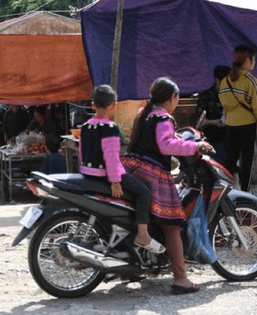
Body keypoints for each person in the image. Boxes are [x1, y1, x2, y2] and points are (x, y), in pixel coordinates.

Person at [121, 77, 211, 295]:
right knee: (172, 225)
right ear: (172, 98)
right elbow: (165, 145)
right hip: (152, 173)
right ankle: (180, 279)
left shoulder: (145, 113)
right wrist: (196, 146)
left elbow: (160, 139)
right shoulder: (163, 117)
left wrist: (180, 138)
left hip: (131, 166)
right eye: (177, 98)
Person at [79, 85, 163, 254]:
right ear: (113, 105)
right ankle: (142, 234)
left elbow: (81, 153)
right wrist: (115, 181)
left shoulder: (86, 126)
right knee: (144, 192)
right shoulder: (110, 128)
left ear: (93, 105)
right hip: (106, 175)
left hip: (88, 175)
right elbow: (111, 158)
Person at [218, 45, 257, 191]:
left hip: (231, 125)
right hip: (248, 126)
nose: (254, 62)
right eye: (253, 59)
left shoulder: (225, 81)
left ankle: (226, 192)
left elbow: (224, 104)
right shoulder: (251, 81)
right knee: (247, 162)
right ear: (248, 60)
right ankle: (245, 194)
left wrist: (229, 117)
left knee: (230, 160)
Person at [195, 65, 230, 165]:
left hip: (229, 132)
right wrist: (214, 122)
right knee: (220, 150)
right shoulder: (206, 96)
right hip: (212, 134)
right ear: (218, 81)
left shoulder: (231, 96)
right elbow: (199, 120)